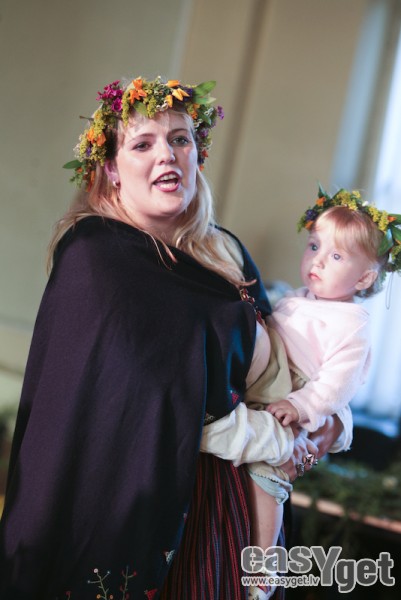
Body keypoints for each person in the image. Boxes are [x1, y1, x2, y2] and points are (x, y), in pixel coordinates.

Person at [0, 76, 350, 600]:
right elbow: (137, 401)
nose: (167, 154)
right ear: (111, 168)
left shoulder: (224, 251)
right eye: (143, 144)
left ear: (196, 154)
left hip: (234, 512)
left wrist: (328, 424)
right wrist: (274, 438)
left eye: (180, 139)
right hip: (146, 512)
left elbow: (292, 354)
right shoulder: (95, 257)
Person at [201, 187, 401, 599]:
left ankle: (265, 566)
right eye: (314, 246)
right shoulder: (296, 298)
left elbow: (336, 385)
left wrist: (300, 404)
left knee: (268, 475)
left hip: (294, 390)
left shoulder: (352, 325)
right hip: (267, 383)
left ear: (365, 278)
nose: (317, 261)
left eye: (336, 257)